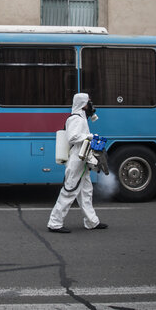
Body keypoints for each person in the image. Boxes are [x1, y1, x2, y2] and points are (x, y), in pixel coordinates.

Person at [47, 93, 108, 233]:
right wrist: (90, 136)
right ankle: (55, 223)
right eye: (88, 102)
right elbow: (72, 137)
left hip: (82, 158)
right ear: (83, 104)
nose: (90, 105)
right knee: (69, 191)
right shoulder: (76, 119)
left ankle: (92, 221)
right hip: (77, 159)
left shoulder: (81, 118)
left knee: (86, 191)